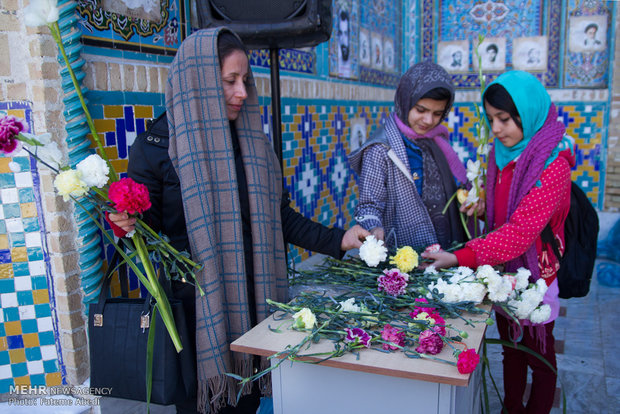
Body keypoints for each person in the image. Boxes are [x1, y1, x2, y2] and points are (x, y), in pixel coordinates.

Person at [109, 28, 369, 414]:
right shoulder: (158, 147)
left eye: (245, 80)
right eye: (229, 81)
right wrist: (124, 223)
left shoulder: (253, 145)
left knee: (246, 402)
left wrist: (340, 240)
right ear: (198, 81)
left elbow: (281, 219)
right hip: (198, 313)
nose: (242, 92)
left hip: (254, 304)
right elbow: (142, 235)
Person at [422, 70, 575, 414]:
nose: (497, 129)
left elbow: (520, 231)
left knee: (539, 354)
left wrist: (460, 256)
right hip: (503, 270)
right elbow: (503, 211)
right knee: (510, 349)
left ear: (528, 113)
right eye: (491, 119)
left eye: (504, 119)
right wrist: (480, 206)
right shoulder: (499, 154)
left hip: (535, 272)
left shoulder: (553, 166)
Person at [349, 61, 470, 250]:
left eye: (437, 113)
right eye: (421, 110)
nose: (428, 121)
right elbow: (368, 206)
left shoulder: (437, 141)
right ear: (405, 101)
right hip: (404, 258)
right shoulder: (381, 149)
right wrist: (374, 228)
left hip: (444, 251)